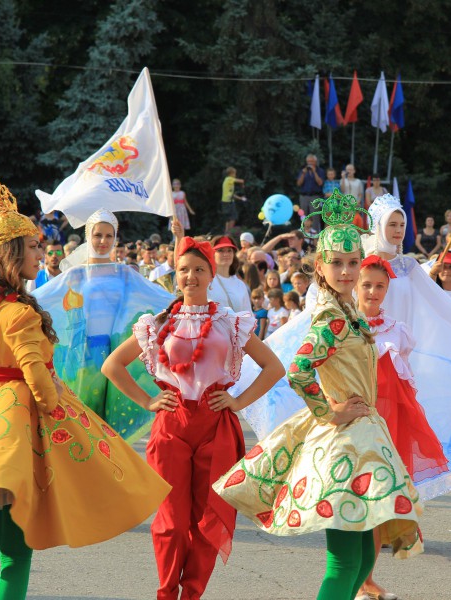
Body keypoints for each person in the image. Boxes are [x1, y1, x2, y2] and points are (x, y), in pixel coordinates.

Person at [0, 173, 170, 599]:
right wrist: (56, 409)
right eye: (34, 246)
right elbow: (36, 378)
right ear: (11, 253)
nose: (41, 253)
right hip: (19, 431)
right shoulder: (20, 314)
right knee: (16, 555)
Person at [233, 192, 451, 505]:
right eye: (391, 223)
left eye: (402, 224)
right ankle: (370, 508)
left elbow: (444, 311)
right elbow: (318, 322)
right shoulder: (355, 272)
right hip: (356, 361)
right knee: (357, 447)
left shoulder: (410, 267)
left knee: (395, 439)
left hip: (396, 360)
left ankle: (393, 509)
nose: (398, 230)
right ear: (377, 226)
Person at [214, 194, 422, 600]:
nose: (346, 271)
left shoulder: (348, 313)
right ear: (320, 268)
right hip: (344, 444)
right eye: (336, 262)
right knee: (344, 562)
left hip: (363, 436)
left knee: (363, 557)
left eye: (352, 262)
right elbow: (298, 371)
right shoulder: (331, 319)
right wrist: (331, 412)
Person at [102, 236, 283, 600]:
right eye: (184, 269)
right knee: (170, 521)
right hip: (172, 425)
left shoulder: (229, 322)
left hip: (216, 425)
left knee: (207, 518)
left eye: (199, 269)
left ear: (211, 275)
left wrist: (238, 401)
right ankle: (167, 593)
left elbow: (273, 367)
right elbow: (112, 365)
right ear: (176, 274)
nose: (191, 276)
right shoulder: (159, 322)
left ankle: (192, 594)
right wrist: (148, 400)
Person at [34, 209, 173, 442]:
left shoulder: (125, 274)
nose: (103, 241)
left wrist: (190, 301)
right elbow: (41, 299)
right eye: (98, 235)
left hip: (118, 352)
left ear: (116, 238)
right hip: (85, 354)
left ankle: (111, 459)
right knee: (85, 414)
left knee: (112, 418)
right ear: (88, 236)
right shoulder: (76, 275)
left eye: (109, 236)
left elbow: (159, 298)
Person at [356, 255, 448, 600]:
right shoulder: (343, 324)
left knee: (377, 499)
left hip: (386, 423)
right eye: (367, 285)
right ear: (355, 285)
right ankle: (354, 579)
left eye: (380, 286)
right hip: (352, 419)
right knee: (353, 497)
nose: (373, 291)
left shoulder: (397, 330)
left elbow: (403, 386)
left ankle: (366, 579)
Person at [207, 235, 252, 313]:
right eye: (221, 250)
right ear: (212, 254)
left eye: (229, 250)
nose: (226, 254)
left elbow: (248, 314)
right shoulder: (206, 281)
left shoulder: (240, 284)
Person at [295, 154, 325, 232]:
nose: (310, 163)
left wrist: (314, 172)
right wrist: (303, 174)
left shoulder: (320, 171)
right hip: (304, 196)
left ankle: (315, 235)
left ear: (315, 162)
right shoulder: (303, 171)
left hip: (315, 196)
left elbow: (320, 183)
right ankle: (304, 234)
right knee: (303, 216)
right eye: (308, 162)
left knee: (315, 217)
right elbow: (298, 183)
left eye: (311, 161)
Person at [221, 167, 246, 234]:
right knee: (233, 217)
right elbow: (242, 181)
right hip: (228, 202)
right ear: (231, 174)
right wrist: (242, 185)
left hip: (227, 201)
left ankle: (226, 233)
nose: (235, 175)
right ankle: (229, 233)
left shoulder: (228, 182)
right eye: (235, 173)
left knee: (228, 218)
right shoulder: (229, 179)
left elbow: (232, 195)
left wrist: (241, 198)